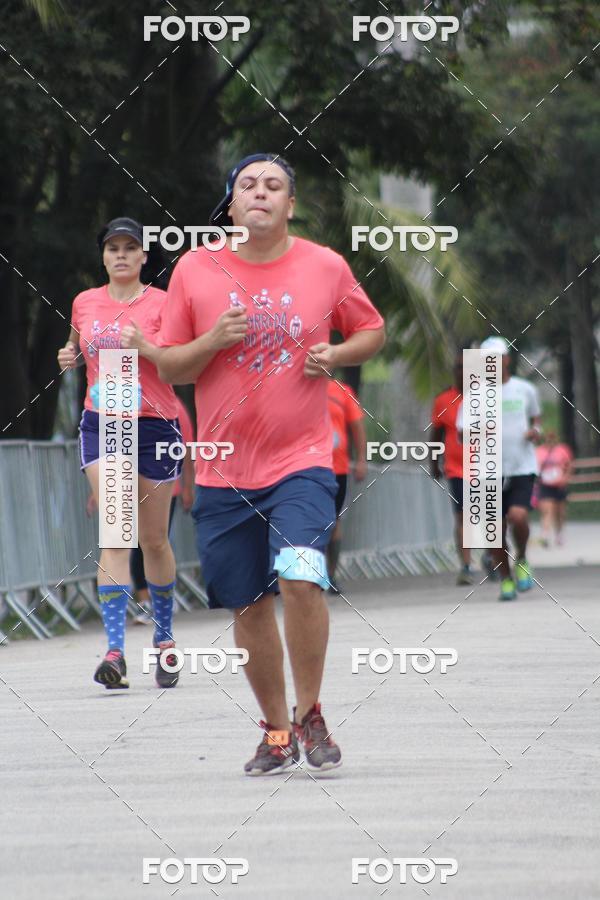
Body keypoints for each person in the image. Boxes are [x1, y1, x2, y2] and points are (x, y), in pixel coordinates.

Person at [126, 153, 385, 774]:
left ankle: (312, 711)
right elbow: (171, 365)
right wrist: (213, 340)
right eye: (248, 185)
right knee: (246, 603)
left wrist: (338, 351)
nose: (260, 193)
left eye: (274, 186)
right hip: (222, 471)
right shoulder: (196, 268)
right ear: (232, 203)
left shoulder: (325, 265)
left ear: (290, 204)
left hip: (302, 463)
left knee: (300, 576)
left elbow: (372, 330)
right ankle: (275, 730)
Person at [57, 217, 182, 690]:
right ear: (103, 256)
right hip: (104, 422)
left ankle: (165, 640)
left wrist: (146, 347)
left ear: (145, 257)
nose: (122, 255)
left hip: (154, 424)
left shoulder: (164, 304)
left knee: (153, 540)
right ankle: (114, 651)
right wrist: (66, 355)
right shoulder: (85, 302)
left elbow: (179, 360)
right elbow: (74, 346)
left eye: (131, 247)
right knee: (116, 530)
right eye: (113, 248)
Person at [459, 336, 542, 601]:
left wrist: (534, 431)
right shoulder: (474, 395)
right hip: (486, 470)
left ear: (507, 360)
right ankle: (506, 579)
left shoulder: (524, 389)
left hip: (521, 466)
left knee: (518, 517)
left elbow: (536, 418)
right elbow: (461, 433)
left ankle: (523, 558)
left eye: (498, 358)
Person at [131, 395, 195, 623]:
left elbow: (185, 450)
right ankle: (144, 601)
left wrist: (188, 487)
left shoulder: (175, 407)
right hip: (133, 486)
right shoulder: (124, 401)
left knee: (157, 542)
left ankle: (162, 599)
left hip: (168, 486)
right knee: (138, 544)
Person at [431, 354, 475, 585]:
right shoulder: (443, 400)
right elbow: (436, 434)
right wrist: (433, 463)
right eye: (459, 367)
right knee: (463, 517)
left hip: (486, 467)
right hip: (456, 468)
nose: (462, 372)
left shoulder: (485, 398)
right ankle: (466, 565)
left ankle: (492, 556)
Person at [326, 377, 367, 594]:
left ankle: (330, 575)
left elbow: (357, 426)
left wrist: (361, 459)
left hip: (337, 468)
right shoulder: (295, 388)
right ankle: (308, 574)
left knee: (333, 520)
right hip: (302, 468)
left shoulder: (342, 391)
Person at [536, 431, 573, 546]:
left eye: (552, 440)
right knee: (547, 510)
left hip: (559, 485)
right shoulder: (539, 451)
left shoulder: (563, 450)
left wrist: (565, 478)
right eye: (548, 440)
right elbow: (535, 467)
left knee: (560, 512)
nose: (550, 443)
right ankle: (545, 535)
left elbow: (569, 465)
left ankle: (559, 534)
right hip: (545, 485)